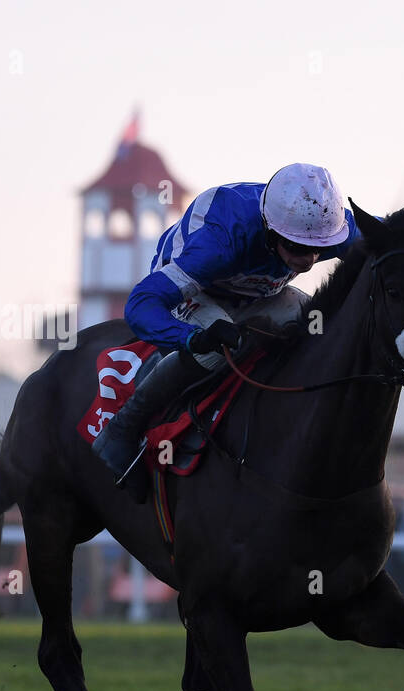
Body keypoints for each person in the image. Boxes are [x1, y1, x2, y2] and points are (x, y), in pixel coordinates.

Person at [92, 163, 366, 494]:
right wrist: (192, 338)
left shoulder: (326, 224)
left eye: (318, 247)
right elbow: (140, 304)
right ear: (269, 230)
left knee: (319, 325)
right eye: (296, 247)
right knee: (218, 348)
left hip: (257, 291)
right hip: (199, 290)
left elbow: (391, 237)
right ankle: (123, 428)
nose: (308, 260)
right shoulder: (220, 244)